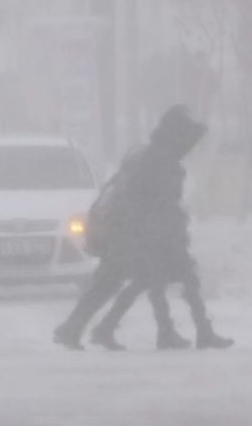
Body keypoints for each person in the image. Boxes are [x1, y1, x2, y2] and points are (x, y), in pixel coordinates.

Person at [54, 105, 233, 351]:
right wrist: (164, 233)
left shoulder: (147, 156)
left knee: (133, 282)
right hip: (141, 236)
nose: (190, 148)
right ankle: (173, 331)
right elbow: (156, 203)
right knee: (149, 280)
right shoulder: (160, 163)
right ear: (176, 137)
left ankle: (91, 329)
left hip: (131, 235)